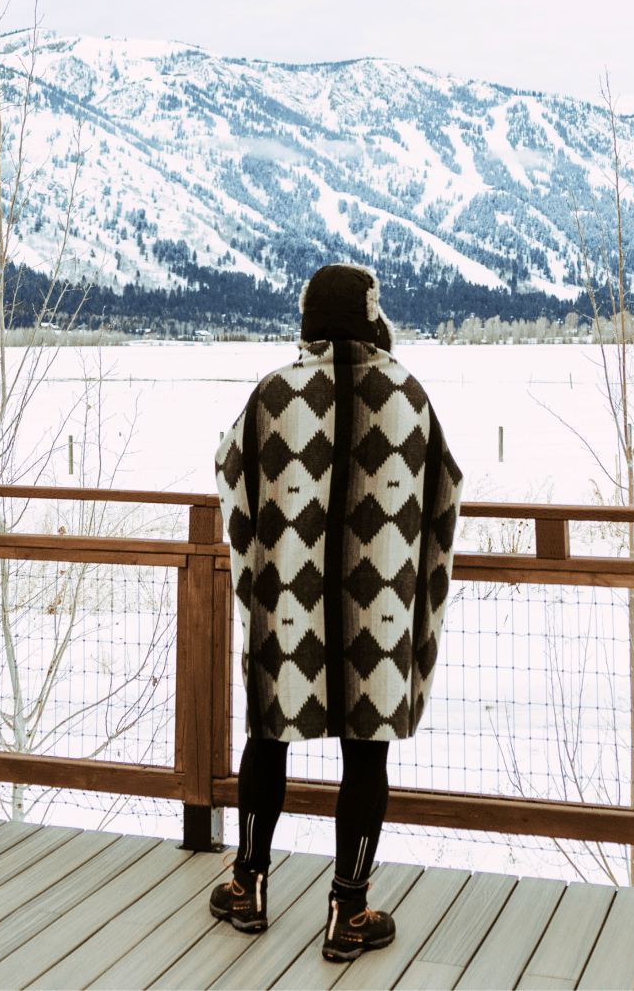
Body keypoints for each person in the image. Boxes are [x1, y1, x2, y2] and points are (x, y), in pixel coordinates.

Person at [209, 263, 464, 962]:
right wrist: (405, 563)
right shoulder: (408, 393)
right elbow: (444, 488)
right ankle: (348, 911)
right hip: (378, 605)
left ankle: (247, 886)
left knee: (268, 735)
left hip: (287, 599)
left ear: (309, 317)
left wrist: (268, 548)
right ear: (371, 315)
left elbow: (230, 472)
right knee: (366, 750)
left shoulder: (272, 393)